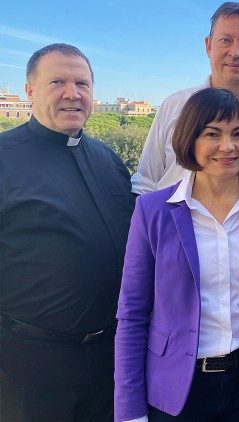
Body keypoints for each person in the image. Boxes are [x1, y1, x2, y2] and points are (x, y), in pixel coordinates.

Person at [115, 88, 239, 421]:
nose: (228, 146)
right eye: (212, 134)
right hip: (176, 388)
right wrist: (129, 410)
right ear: (189, 139)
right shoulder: (153, 211)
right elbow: (132, 314)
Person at [0, 43, 134, 421]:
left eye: (82, 83)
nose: (72, 93)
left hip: (106, 360)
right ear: (30, 91)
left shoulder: (108, 159)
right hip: (28, 367)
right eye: (57, 81)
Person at [131, 1, 239, 195]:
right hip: (171, 223)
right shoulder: (175, 106)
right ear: (208, 46)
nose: (235, 52)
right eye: (225, 40)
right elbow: (146, 181)